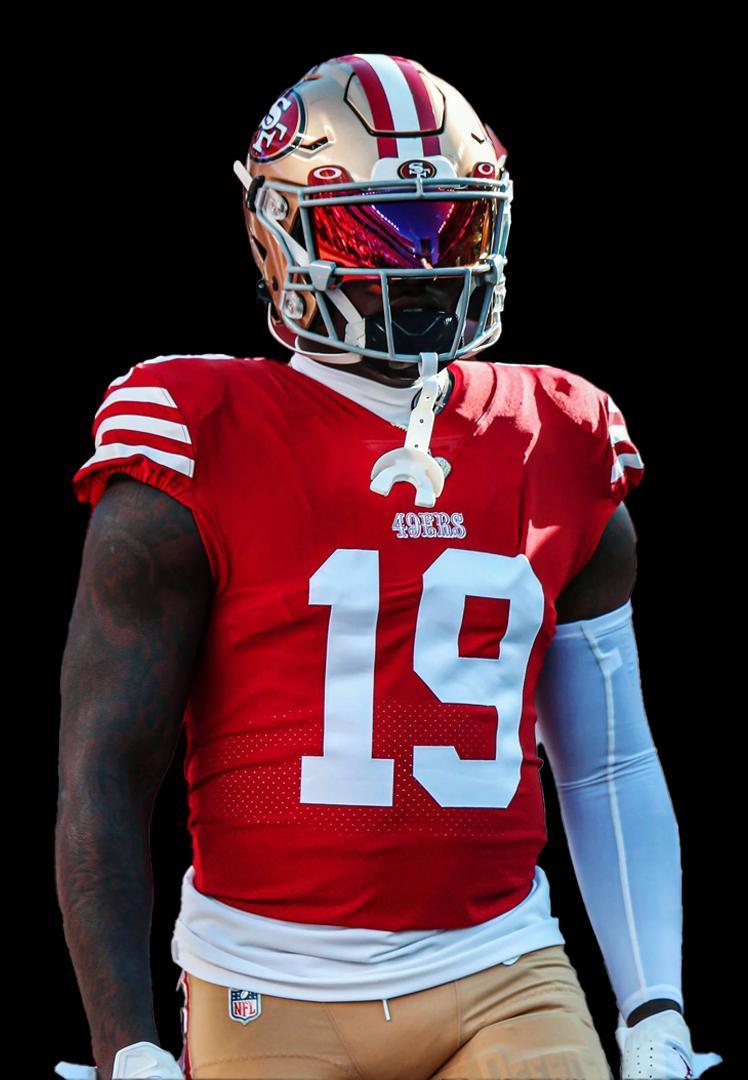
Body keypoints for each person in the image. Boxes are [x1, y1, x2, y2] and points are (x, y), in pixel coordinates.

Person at [56, 54, 723, 1080]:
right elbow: (104, 768)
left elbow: (607, 761)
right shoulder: (196, 431)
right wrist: (126, 1046)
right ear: (279, 233)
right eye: (377, 231)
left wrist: (655, 1009)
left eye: (448, 227)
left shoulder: (559, 432)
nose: (419, 264)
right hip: (267, 980)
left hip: (502, 966)